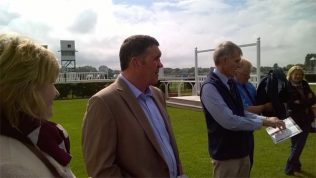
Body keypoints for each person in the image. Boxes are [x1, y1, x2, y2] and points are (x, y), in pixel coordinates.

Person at [82, 35, 183, 177]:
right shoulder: (103, 103)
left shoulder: (157, 94)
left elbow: (167, 145)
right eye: (156, 59)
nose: (161, 65)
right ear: (136, 63)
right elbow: (101, 171)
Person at [200, 41, 285, 178]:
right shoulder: (210, 87)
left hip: (242, 151)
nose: (240, 65)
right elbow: (229, 120)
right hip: (226, 156)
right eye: (237, 60)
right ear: (224, 60)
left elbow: (240, 112)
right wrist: (264, 122)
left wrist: (266, 118)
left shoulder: (230, 82)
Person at [0, 33, 75, 177]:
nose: (56, 92)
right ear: (27, 88)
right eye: (51, 82)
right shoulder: (11, 168)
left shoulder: (30, 136)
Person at [234, 58, 273, 169]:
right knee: (237, 167)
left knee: (248, 164)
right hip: (237, 133)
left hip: (249, 131)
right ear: (236, 71)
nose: (249, 76)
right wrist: (265, 107)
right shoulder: (231, 88)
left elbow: (257, 102)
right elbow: (245, 110)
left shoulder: (249, 85)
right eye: (246, 73)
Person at [284, 65, 315, 176]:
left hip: (306, 118)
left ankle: (295, 167)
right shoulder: (286, 87)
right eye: (296, 74)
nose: (298, 76)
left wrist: (301, 102)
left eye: (300, 74)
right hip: (293, 119)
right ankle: (290, 168)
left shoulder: (305, 84)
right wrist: (307, 100)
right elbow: (292, 104)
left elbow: (314, 98)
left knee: (297, 145)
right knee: (297, 145)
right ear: (291, 74)